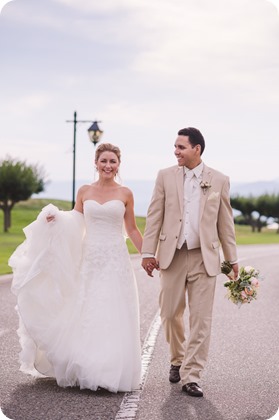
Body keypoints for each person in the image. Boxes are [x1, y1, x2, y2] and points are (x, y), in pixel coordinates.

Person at [9, 143, 143, 393]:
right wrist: (56, 219)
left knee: (114, 310)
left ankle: (112, 370)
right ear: (96, 163)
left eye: (113, 161)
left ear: (118, 165)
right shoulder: (84, 191)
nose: (108, 166)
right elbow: (76, 219)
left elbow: (132, 229)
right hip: (90, 258)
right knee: (89, 309)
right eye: (103, 161)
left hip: (115, 259)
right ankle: (88, 368)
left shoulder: (126, 193)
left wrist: (147, 254)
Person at [141, 127, 238, 397]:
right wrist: (149, 252)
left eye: (181, 147)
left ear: (197, 149)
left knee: (201, 319)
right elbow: (154, 215)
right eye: (175, 147)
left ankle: (191, 375)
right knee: (170, 313)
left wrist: (232, 261)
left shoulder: (219, 179)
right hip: (171, 255)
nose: (176, 151)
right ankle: (177, 359)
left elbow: (225, 224)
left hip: (204, 258)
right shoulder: (165, 177)